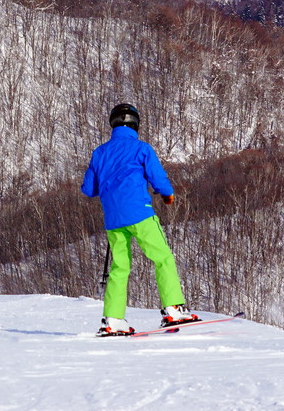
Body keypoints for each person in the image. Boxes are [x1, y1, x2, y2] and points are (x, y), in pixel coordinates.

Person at [81, 103, 197, 337]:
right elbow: (158, 178)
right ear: (136, 123)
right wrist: (167, 194)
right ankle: (173, 309)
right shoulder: (141, 148)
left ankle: (113, 320)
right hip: (140, 213)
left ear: (113, 124)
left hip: (113, 219)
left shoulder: (100, 152)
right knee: (162, 257)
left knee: (119, 268)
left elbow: (88, 189)